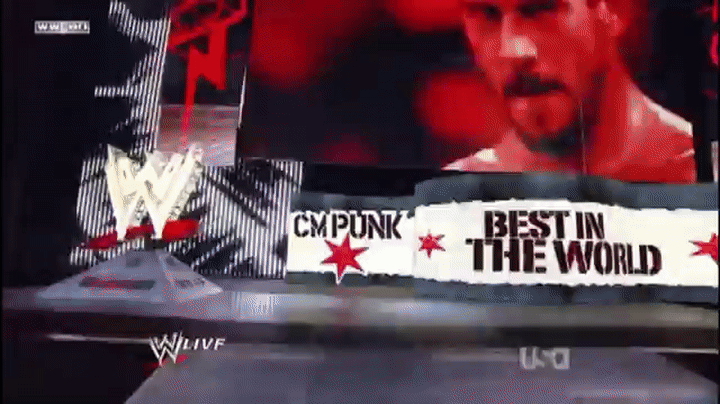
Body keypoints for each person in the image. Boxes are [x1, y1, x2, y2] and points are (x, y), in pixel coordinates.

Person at [445, 0, 697, 183]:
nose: (512, 51)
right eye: (487, 13)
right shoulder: (450, 209)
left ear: (613, 8)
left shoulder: (704, 182)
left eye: (540, 8)